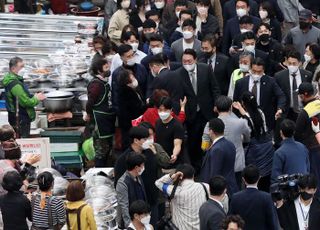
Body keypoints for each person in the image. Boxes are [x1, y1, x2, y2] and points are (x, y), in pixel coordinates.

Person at [177, 48, 220, 172]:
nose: (187, 64)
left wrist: (216, 103)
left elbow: (215, 88)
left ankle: (210, 165)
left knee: (209, 139)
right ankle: (197, 168)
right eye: (184, 61)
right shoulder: (179, 73)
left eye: (189, 61)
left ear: (195, 60)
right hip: (191, 114)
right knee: (194, 141)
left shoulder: (205, 69)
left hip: (207, 111)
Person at [233, 92, 274, 192]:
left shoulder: (244, 119)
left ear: (243, 103)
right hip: (267, 147)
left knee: (254, 176)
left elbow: (245, 134)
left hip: (254, 150)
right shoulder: (260, 112)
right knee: (266, 177)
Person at [233, 57, 286, 131]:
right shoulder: (240, 83)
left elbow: (281, 95)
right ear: (250, 69)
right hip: (245, 120)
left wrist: (280, 109)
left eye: (259, 72)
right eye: (254, 71)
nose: (256, 74)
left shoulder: (270, 81)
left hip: (265, 120)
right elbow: (236, 102)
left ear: (263, 70)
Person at [209, 96, 250, 187]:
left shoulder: (210, 124)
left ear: (216, 108)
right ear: (230, 107)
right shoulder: (240, 122)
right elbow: (248, 137)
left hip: (217, 163)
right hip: (237, 162)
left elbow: (205, 145)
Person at [155, 164, 209, 229]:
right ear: (193, 175)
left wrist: (171, 176)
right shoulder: (205, 186)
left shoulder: (175, 191)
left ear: (178, 177)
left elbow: (158, 183)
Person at [2, 57, 46, 138]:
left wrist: (34, 96)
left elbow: (22, 96)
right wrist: (37, 98)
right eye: (21, 67)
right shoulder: (15, 84)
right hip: (20, 119)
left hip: (17, 117)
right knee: (22, 140)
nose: (24, 69)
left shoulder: (13, 79)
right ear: (13, 68)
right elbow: (26, 102)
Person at [85, 58, 115, 167]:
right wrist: (88, 114)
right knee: (101, 151)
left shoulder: (104, 82)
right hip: (99, 122)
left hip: (107, 120)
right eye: (106, 67)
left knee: (107, 148)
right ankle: (99, 174)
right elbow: (90, 102)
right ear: (98, 70)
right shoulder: (96, 84)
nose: (108, 69)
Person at [229, 165, 279, 230]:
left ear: (243, 179)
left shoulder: (235, 197)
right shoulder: (266, 197)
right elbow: (273, 223)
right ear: (259, 178)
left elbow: (230, 220)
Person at [200, 118, 238, 195]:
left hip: (220, 191)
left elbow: (214, 173)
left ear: (211, 131)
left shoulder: (217, 149)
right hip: (230, 187)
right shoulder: (230, 144)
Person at [295, 82, 320, 194]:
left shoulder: (305, 112)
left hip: (312, 149)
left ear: (303, 95)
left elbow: (297, 133)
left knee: (315, 177)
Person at [112, 44, 152, 115]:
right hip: (127, 111)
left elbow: (147, 85)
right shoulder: (118, 73)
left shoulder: (141, 68)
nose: (131, 58)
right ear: (121, 58)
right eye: (128, 56)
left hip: (143, 107)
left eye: (132, 55)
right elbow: (116, 95)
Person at [275, 50, 313, 121]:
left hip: (303, 111)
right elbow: (278, 95)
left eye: (294, 63)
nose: (291, 66)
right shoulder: (279, 76)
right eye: (289, 63)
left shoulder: (307, 75)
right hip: (287, 112)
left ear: (299, 63)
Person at [271, 119, 310, 184]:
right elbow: (308, 169)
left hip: (289, 190)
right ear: (294, 132)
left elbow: (275, 179)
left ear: (281, 132)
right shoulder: (303, 147)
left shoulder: (279, 153)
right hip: (304, 186)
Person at [116, 153, 147, 229]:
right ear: (136, 167)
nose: (143, 167)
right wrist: (130, 226)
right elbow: (124, 207)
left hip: (141, 218)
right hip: (132, 222)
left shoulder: (138, 177)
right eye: (142, 165)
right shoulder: (122, 183)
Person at [118, 70, 146, 149]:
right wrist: (147, 105)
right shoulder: (125, 92)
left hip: (134, 121)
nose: (134, 79)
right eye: (132, 77)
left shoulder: (134, 89)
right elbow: (136, 108)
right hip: (129, 123)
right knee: (129, 143)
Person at [155, 97, 185, 167]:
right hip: (160, 161)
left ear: (171, 110)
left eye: (165, 110)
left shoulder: (177, 125)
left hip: (173, 163)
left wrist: (174, 154)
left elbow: (177, 144)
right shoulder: (158, 122)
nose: (162, 112)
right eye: (160, 110)